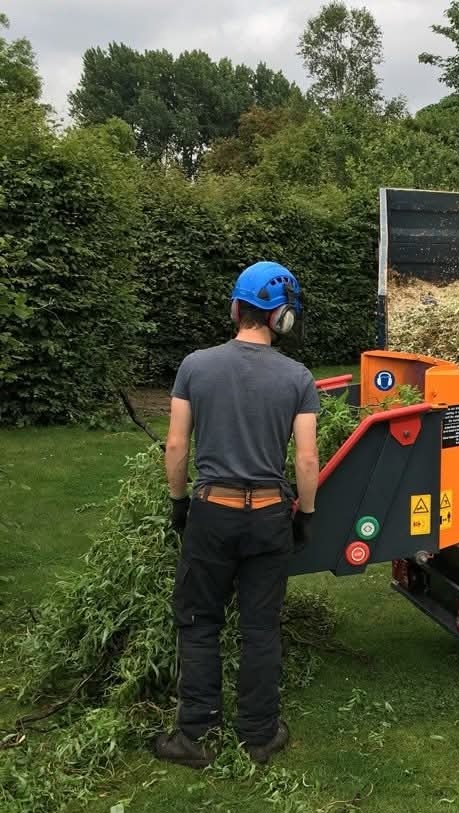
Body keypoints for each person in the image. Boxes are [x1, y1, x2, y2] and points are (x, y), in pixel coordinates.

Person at [153, 261, 320, 769]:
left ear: (236, 308)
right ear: (281, 319)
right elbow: (307, 459)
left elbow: (177, 445)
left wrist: (180, 503)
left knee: (200, 619)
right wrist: (305, 514)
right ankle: (259, 734)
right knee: (260, 625)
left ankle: (194, 736)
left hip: (212, 512)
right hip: (269, 514)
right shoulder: (298, 377)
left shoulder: (195, 366)